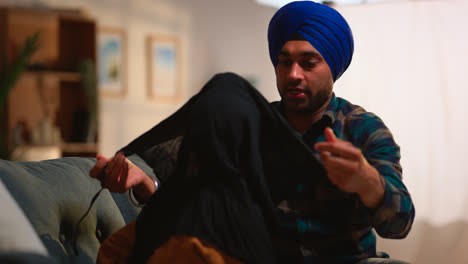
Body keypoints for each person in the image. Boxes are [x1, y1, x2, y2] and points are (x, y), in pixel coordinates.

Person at [90, 1, 415, 263]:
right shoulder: (249, 124)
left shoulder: (363, 129)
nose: (293, 74)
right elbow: (199, 203)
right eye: (284, 62)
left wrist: (367, 182)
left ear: (334, 67)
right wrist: (145, 183)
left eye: (308, 62)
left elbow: (399, 223)